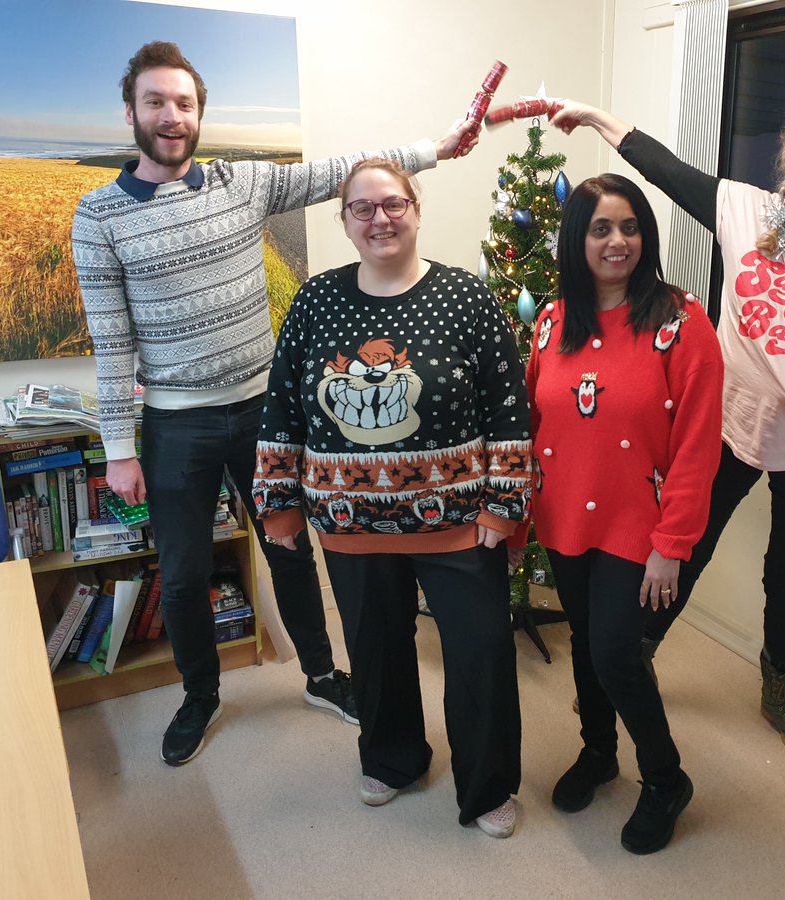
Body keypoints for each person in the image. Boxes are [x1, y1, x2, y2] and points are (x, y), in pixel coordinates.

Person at [71, 41, 478, 767]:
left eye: (185, 103)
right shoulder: (99, 214)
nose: (172, 116)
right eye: (157, 102)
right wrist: (119, 448)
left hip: (268, 411)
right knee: (188, 573)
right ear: (130, 111)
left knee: (291, 550)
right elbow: (111, 340)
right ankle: (201, 694)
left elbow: (339, 174)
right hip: (176, 423)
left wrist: (432, 148)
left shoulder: (242, 182)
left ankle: (322, 676)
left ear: (199, 113)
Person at [551, 97, 785, 762]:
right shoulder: (747, 212)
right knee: (685, 547)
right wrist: (596, 118)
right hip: (731, 419)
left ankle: (778, 688)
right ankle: (634, 660)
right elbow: (661, 168)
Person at [252, 158, 530, 838]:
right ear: (345, 220)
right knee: (375, 649)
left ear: (415, 208)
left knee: (482, 652)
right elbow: (283, 408)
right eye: (363, 207)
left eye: (393, 204)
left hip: (461, 522)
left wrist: (504, 504)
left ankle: (488, 782)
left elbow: (510, 411)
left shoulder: (467, 297)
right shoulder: (315, 302)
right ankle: (391, 756)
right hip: (348, 523)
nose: (380, 218)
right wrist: (279, 503)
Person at [524, 173, 722, 854]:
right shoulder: (552, 321)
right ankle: (599, 752)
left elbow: (698, 443)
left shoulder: (681, 321)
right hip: (564, 514)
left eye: (630, 226)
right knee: (585, 639)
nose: (617, 241)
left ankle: (665, 778)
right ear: (575, 239)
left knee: (615, 651)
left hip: (639, 521)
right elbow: (531, 418)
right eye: (601, 228)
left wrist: (674, 543)